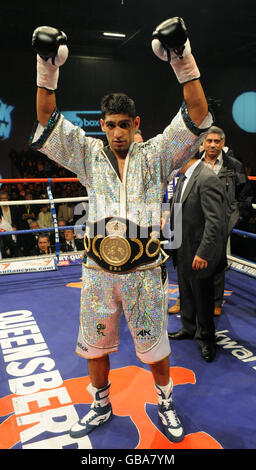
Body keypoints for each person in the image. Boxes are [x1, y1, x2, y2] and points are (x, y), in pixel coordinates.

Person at [29, 18, 212, 443]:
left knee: (156, 349)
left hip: (144, 273)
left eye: (122, 125)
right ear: (103, 124)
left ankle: (166, 403)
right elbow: (45, 118)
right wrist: (46, 67)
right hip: (97, 273)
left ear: (135, 123)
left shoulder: (157, 154)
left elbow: (198, 115)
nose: (115, 133)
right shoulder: (88, 154)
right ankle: (100, 403)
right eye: (109, 124)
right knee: (94, 346)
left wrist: (182, 59)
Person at [169, 126, 253, 316]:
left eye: (217, 141)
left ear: (223, 143)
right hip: (192, 222)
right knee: (186, 264)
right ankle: (184, 300)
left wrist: (235, 219)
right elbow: (179, 190)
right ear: (203, 143)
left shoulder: (234, 166)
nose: (213, 145)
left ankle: (215, 302)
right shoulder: (192, 163)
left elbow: (245, 194)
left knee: (216, 263)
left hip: (218, 223)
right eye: (209, 141)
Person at [167, 154, 227, 362]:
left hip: (198, 250)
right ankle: (189, 327)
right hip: (182, 247)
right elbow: (180, 209)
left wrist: (204, 252)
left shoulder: (206, 178)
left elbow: (215, 221)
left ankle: (207, 339)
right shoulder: (183, 178)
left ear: (182, 157)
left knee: (202, 297)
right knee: (186, 292)